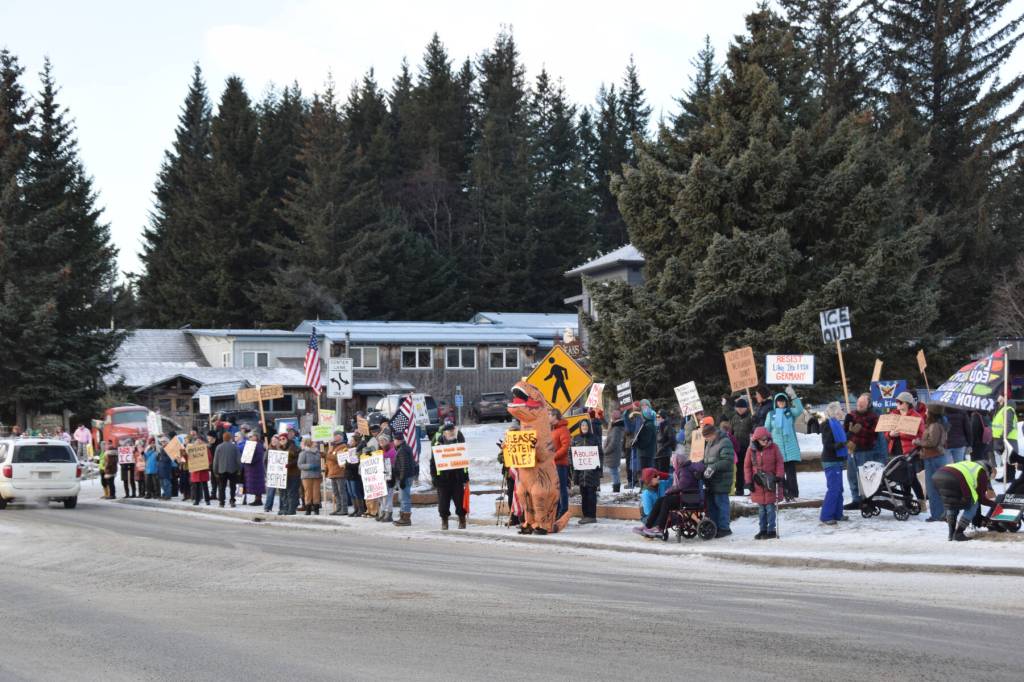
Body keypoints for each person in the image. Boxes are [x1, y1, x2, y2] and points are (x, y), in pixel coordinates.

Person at [637, 453, 706, 538]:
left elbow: (682, 486)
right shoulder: (682, 469)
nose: (673, 464)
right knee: (661, 500)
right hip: (685, 496)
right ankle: (648, 526)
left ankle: (660, 528)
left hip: (687, 498)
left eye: (673, 462)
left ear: (678, 462)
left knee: (666, 501)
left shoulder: (684, 470)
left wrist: (669, 491)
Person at [934, 460, 996, 541]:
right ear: (988, 470)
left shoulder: (969, 464)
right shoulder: (981, 472)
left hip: (939, 475)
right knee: (973, 504)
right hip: (955, 477)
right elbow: (981, 499)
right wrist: (994, 505)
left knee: (952, 504)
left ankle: (951, 533)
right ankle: (959, 533)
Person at [744, 426, 785, 539]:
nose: (765, 441)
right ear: (756, 439)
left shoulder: (774, 448)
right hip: (757, 483)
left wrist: (779, 476)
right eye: (763, 440)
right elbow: (747, 467)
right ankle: (762, 529)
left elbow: (780, 463)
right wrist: (748, 482)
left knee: (770, 508)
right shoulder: (751, 450)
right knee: (762, 509)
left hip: (771, 482)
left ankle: (771, 530)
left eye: (766, 439)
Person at [765, 386, 804, 500]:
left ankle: (794, 493)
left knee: (791, 473)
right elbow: (766, 429)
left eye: (783, 400)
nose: (781, 402)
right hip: (777, 449)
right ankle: (786, 491)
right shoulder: (771, 414)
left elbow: (800, 409)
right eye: (779, 401)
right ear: (776, 402)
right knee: (779, 474)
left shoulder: (790, 412)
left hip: (790, 448)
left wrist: (793, 396)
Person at [886, 391, 926, 501]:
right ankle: (907, 501)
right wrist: (890, 434)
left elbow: (921, 435)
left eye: (899, 402)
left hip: (911, 451)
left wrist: (901, 433)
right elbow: (887, 432)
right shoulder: (894, 415)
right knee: (901, 477)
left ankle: (921, 502)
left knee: (911, 477)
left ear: (907, 403)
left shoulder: (916, 416)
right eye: (897, 401)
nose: (897, 404)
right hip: (896, 450)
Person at [844, 393, 882, 508]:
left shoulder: (873, 417)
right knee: (852, 476)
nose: (859, 406)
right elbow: (846, 432)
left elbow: (872, 435)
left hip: (866, 451)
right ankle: (856, 499)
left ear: (868, 404)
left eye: (862, 404)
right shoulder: (852, 414)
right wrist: (847, 425)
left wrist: (858, 428)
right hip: (852, 450)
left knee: (866, 477)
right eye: (858, 404)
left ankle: (867, 500)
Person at [915, 410, 952, 522]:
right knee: (937, 487)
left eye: (927, 410)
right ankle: (941, 513)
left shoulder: (934, 426)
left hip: (933, 458)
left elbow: (932, 442)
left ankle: (938, 514)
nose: (926, 412)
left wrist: (918, 442)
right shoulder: (939, 424)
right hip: (935, 457)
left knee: (933, 488)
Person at [430, 423, 468, 530]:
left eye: (453, 432)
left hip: (457, 478)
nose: (451, 434)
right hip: (442, 479)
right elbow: (433, 463)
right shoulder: (438, 445)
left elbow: (464, 462)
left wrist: (465, 477)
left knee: (459, 501)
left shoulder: (458, 444)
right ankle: (444, 521)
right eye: (449, 432)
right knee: (443, 502)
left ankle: (462, 520)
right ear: (444, 433)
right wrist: (434, 477)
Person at [702, 423, 735, 538]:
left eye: (707, 437)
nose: (706, 440)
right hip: (711, 480)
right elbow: (707, 460)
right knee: (711, 505)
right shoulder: (710, 443)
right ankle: (715, 526)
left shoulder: (725, 442)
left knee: (721, 503)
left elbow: (727, 461)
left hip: (722, 479)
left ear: (713, 433)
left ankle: (724, 528)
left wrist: (713, 467)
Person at [819, 402, 849, 525]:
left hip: (837, 460)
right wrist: (842, 445)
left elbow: (842, 440)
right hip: (830, 461)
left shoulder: (837, 424)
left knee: (839, 488)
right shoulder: (827, 425)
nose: (842, 412)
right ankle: (826, 516)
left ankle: (837, 513)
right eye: (840, 410)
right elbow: (827, 444)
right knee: (834, 488)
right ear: (835, 412)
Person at [572, 418, 603, 525]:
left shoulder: (595, 438)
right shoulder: (576, 439)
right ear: (580, 427)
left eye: (586, 425)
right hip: (580, 473)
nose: (584, 427)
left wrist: (599, 470)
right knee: (583, 494)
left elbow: (600, 454)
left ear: (589, 427)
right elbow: (571, 454)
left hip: (592, 472)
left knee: (591, 494)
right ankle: (585, 515)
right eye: (582, 426)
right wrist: (574, 469)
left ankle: (591, 516)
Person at [728, 398, 753, 494]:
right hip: (737, 448)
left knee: (748, 469)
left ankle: (751, 488)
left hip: (748, 447)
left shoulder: (750, 417)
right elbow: (731, 432)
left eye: (742, 408)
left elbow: (754, 430)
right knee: (738, 470)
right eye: (738, 408)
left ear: (746, 408)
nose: (739, 410)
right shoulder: (734, 418)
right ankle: (739, 489)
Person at [991, 395, 1019, 484]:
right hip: (1004, 437)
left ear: (1004, 398)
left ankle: (1010, 478)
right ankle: (1007, 477)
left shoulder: (1008, 409)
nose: (997, 398)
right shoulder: (1002, 409)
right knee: (1006, 458)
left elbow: (1008, 425)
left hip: (1007, 438)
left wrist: (1002, 437)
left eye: (999, 396)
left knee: (1009, 458)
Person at [392, 431, 417, 527]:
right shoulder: (404, 448)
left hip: (405, 477)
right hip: (406, 476)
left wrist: (402, 479)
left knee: (405, 498)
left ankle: (406, 519)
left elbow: (404, 466)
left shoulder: (402, 450)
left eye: (394, 439)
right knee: (403, 497)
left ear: (398, 440)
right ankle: (402, 517)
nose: (393, 441)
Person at [550, 409, 571, 517]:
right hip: (552, 464)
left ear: (555, 416)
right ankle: (557, 510)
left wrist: (554, 455)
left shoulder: (563, 429)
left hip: (560, 464)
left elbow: (565, 447)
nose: (548, 417)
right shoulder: (552, 430)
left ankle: (564, 511)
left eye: (550, 415)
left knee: (562, 488)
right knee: (555, 489)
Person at [213, 431, 241, 508]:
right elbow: (238, 460)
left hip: (222, 470)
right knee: (233, 487)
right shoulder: (235, 447)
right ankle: (232, 501)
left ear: (223, 438)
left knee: (222, 487)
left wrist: (215, 471)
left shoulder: (219, 447)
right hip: (233, 469)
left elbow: (215, 461)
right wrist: (239, 469)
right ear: (230, 438)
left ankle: (221, 502)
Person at [325, 431, 350, 516]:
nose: (333, 437)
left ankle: (344, 509)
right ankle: (338, 508)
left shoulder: (343, 447)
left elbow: (338, 458)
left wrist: (326, 455)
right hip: (332, 472)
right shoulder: (333, 446)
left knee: (341, 492)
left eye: (335, 435)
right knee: (336, 492)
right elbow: (329, 458)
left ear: (339, 437)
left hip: (340, 472)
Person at [297, 438, 323, 515]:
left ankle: (316, 508)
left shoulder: (318, 453)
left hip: (317, 475)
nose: (316, 443)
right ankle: (308, 508)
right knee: (308, 492)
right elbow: (300, 465)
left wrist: (322, 468)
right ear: (310, 443)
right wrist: (310, 466)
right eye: (314, 442)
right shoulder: (304, 453)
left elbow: (322, 462)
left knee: (316, 492)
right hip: (307, 476)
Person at [631, 400, 658, 471]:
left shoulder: (648, 426)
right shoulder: (648, 424)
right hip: (647, 453)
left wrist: (636, 443)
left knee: (646, 474)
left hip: (646, 454)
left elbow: (645, 441)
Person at [603, 409, 625, 493]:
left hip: (613, 454)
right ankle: (616, 488)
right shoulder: (615, 426)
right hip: (613, 453)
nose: (611, 419)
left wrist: (606, 450)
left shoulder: (616, 428)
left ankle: (616, 489)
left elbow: (614, 443)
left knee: (614, 472)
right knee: (614, 471)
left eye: (612, 417)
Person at [241, 432, 265, 507]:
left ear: (256, 437)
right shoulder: (249, 445)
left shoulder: (258, 445)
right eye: (249, 437)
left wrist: (250, 461)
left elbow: (258, 456)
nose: (250, 438)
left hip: (256, 468)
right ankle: (256, 499)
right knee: (254, 485)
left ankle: (258, 499)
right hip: (250, 468)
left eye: (252, 436)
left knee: (257, 484)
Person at [345, 435, 365, 517]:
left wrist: (346, 464)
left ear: (356, 442)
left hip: (355, 475)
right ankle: (355, 509)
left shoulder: (357, 451)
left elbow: (355, 464)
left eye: (352, 440)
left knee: (356, 493)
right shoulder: (349, 450)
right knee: (351, 493)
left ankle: (361, 509)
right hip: (348, 474)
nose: (350, 442)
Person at [189, 436, 212, 506]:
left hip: (203, 470)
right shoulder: (192, 449)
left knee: (205, 486)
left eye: (200, 440)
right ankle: (197, 500)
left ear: (202, 441)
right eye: (197, 440)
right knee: (196, 487)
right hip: (195, 471)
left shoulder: (205, 448)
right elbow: (189, 459)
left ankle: (207, 500)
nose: (198, 442)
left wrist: (206, 464)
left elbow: (210, 458)